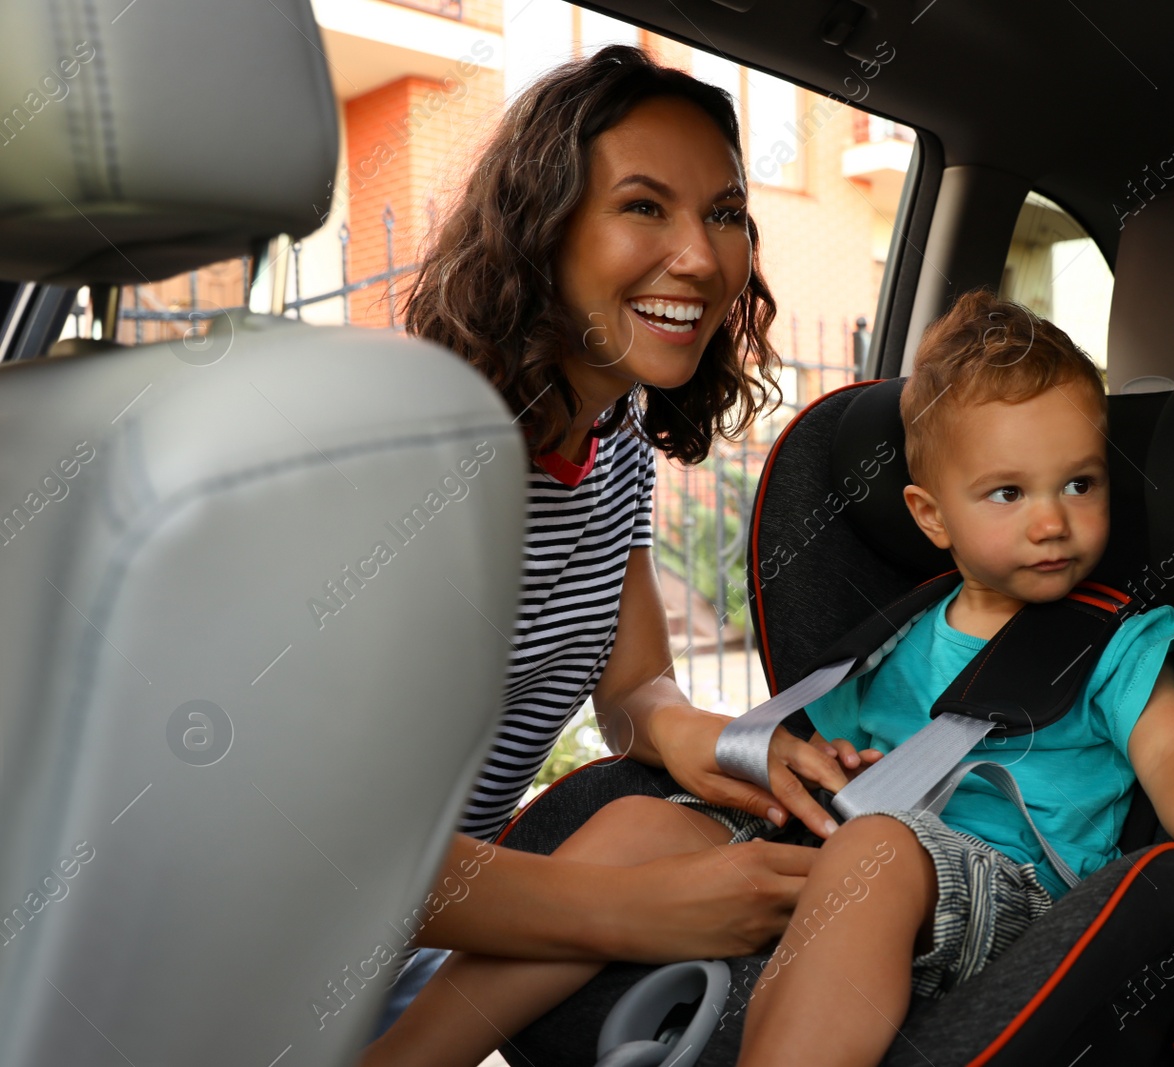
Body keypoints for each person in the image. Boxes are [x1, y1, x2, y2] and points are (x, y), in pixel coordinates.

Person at [361, 288, 1174, 1067]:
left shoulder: (1117, 642)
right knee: (641, 824)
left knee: (877, 854)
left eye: (1081, 482)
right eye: (1008, 493)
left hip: (1011, 898)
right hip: (855, 865)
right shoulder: (895, 636)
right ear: (928, 515)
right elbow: (827, 766)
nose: (1052, 521)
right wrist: (824, 765)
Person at [364, 45, 859, 1039]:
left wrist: (715, 741)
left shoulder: (617, 447)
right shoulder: (408, 458)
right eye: (643, 205)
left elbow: (633, 690)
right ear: (541, 232)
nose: (702, 258)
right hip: (275, 946)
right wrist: (655, 908)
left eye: (723, 214)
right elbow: (328, 850)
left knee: (649, 826)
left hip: (415, 943)